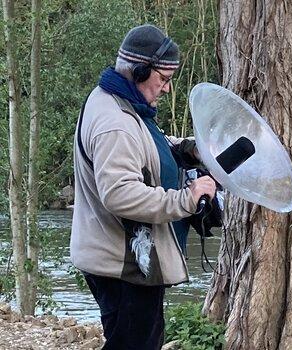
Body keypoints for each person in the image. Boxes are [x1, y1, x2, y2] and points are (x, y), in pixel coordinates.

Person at [70, 24, 216, 350]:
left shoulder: (120, 102)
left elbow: (148, 146)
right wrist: (186, 200)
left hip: (128, 259)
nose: (166, 89)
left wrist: (189, 148)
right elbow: (119, 193)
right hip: (123, 265)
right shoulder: (115, 123)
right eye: (163, 79)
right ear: (139, 70)